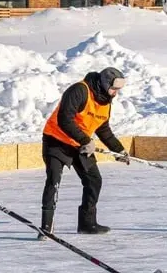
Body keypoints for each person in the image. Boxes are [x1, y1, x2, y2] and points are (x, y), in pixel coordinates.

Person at [40, 67, 130, 238]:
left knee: (94, 180)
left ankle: (87, 224)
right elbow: (64, 119)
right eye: (114, 88)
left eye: (118, 90)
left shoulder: (106, 101)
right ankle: (46, 228)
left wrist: (119, 150)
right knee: (54, 180)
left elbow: (103, 129)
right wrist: (86, 140)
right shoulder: (80, 90)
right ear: (104, 83)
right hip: (56, 141)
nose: (116, 93)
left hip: (80, 145)